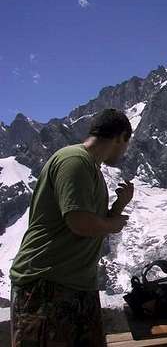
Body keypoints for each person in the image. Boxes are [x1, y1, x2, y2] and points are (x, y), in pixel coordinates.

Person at [10, 109, 134, 347]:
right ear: (120, 137)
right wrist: (113, 223)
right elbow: (79, 222)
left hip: (77, 285)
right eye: (126, 144)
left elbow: (93, 223)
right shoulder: (74, 160)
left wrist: (119, 205)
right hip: (47, 285)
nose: (125, 152)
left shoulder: (91, 170)